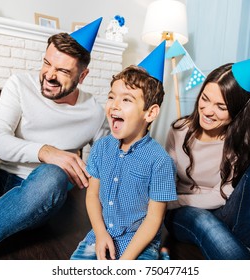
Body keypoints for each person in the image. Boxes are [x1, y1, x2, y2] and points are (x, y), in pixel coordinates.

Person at [0, 17, 109, 260]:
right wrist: (45, 151)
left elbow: (107, 166)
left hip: (37, 200)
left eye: (63, 71)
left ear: (83, 75)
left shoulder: (95, 113)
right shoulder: (20, 84)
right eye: (47, 63)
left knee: (54, 174)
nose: (50, 75)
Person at [164, 50, 250, 259]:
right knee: (203, 221)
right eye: (205, 98)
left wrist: (178, 200)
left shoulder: (246, 143)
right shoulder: (179, 130)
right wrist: (171, 203)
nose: (208, 111)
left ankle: (244, 252)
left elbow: (223, 196)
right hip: (182, 212)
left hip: (221, 208)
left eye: (221, 107)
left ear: (238, 112)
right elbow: (165, 183)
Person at [71, 42, 177, 260]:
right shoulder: (101, 147)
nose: (114, 105)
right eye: (111, 97)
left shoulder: (160, 161)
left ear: (150, 113)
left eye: (126, 99)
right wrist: (100, 234)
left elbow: (154, 219)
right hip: (99, 237)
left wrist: (124, 262)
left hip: (139, 244)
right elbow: (92, 194)